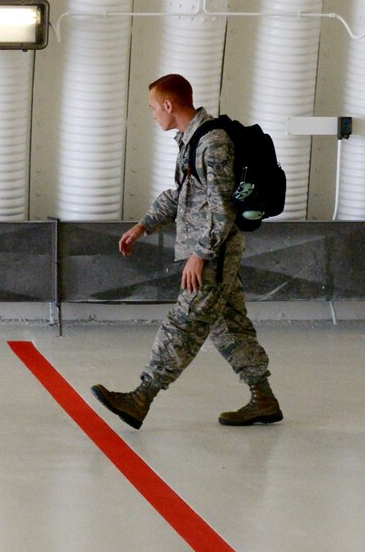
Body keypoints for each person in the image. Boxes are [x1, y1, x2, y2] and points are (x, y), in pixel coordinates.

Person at [91, 73, 282, 430]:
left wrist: (201, 254)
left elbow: (222, 207)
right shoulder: (191, 141)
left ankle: (141, 397)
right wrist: (143, 225)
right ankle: (264, 398)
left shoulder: (214, 143)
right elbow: (182, 195)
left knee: (183, 322)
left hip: (213, 253)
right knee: (231, 328)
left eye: (152, 108)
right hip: (212, 251)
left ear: (169, 104)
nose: (152, 115)